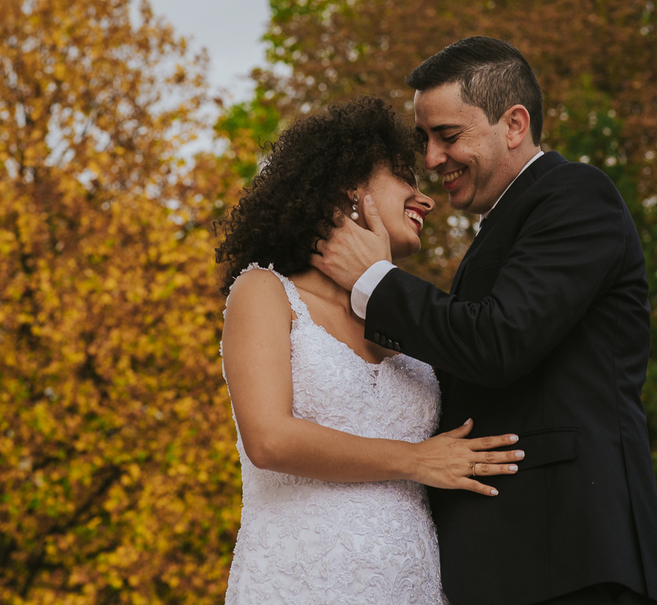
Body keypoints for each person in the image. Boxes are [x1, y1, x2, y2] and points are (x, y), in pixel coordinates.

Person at [313, 37, 657, 605]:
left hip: (573, 559)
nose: (433, 160)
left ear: (514, 124)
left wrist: (373, 279)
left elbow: (499, 341)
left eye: (448, 136)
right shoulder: (502, 232)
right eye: (425, 140)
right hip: (512, 564)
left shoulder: (576, 196)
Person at [215, 97, 524, 604]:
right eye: (406, 177)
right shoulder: (265, 292)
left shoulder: (408, 322)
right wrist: (418, 460)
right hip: (302, 581)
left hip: (415, 583)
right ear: (349, 190)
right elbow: (268, 439)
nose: (424, 200)